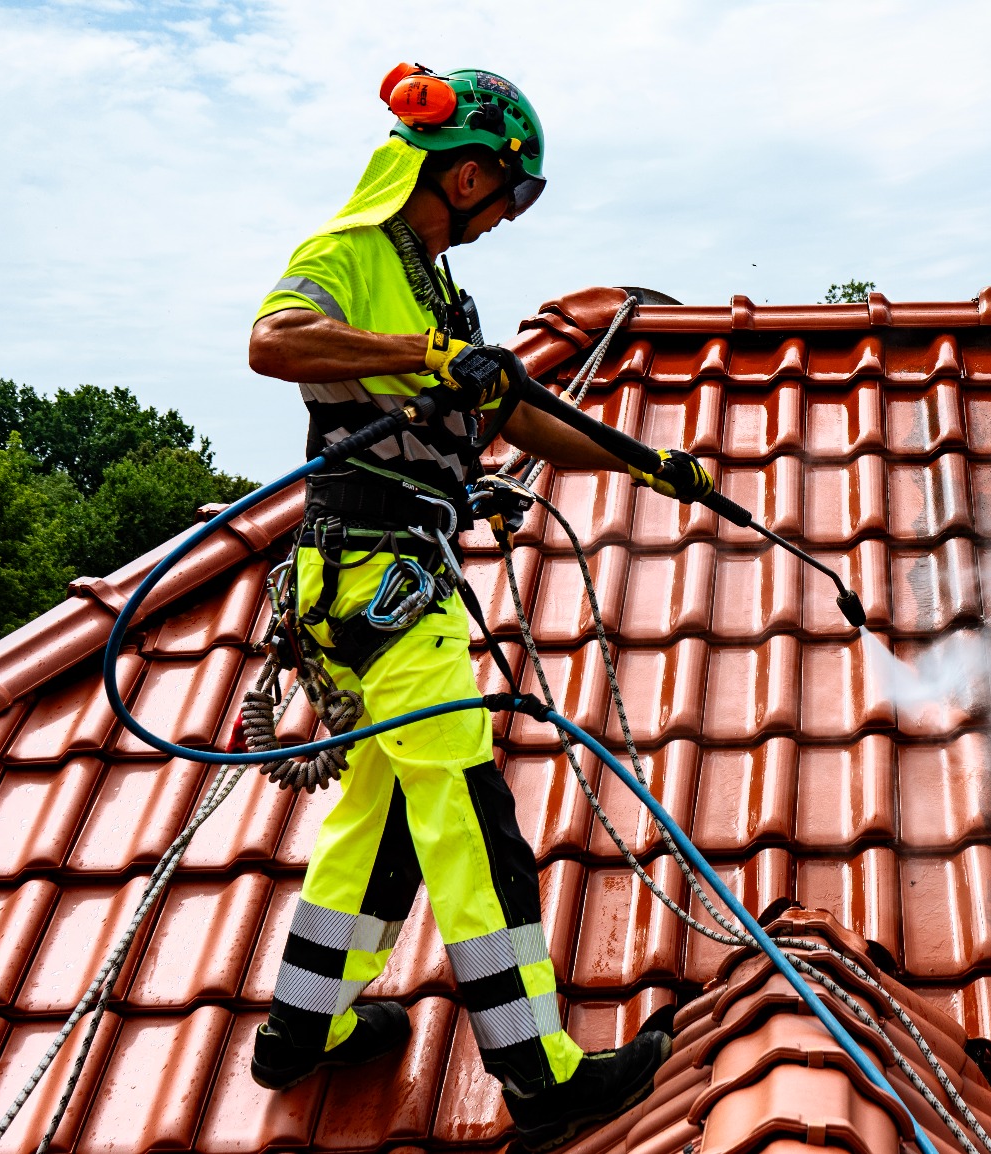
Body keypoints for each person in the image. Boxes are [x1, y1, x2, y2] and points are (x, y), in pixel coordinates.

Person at [245, 65, 695, 1153]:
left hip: (382, 581)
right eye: (509, 192)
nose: (505, 216)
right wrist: (420, 357)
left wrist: (647, 467)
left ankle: (301, 1027)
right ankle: (539, 1072)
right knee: (469, 817)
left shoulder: (444, 291)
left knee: (385, 813)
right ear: (464, 169)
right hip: (377, 581)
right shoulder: (344, 256)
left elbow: (522, 418)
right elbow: (274, 342)